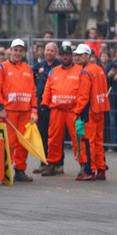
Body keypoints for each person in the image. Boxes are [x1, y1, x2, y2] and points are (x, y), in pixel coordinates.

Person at [0, 38, 38, 182]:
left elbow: (33, 92)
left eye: (20, 51)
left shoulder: (28, 69)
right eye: (15, 50)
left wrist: (34, 111)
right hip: (8, 113)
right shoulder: (2, 68)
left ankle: (20, 170)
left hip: (25, 113)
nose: (17, 53)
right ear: (10, 51)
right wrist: (1, 107)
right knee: (8, 143)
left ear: (23, 52)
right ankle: (3, 171)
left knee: (23, 144)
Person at [40, 45, 82, 176]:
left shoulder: (80, 70)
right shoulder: (54, 71)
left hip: (73, 111)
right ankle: (52, 164)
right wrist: (44, 104)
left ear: (72, 56)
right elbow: (48, 89)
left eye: (68, 54)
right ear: (60, 55)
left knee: (78, 138)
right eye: (63, 54)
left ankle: (83, 164)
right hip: (56, 110)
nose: (65, 57)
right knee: (53, 139)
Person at [73, 44, 110, 180]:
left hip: (89, 112)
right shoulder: (99, 69)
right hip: (100, 110)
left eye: (80, 55)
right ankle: (101, 169)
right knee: (98, 142)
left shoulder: (86, 72)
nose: (77, 57)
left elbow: (83, 97)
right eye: (76, 54)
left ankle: (89, 171)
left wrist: (77, 113)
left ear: (88, 56)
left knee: (88, 142)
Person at [32, 42, 61, 174]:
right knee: (42, 134)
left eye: (51, 50)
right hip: (40, 104)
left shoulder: (59, 66)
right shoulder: (39, 66)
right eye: (47, 50)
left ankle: (58, 163)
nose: (49, 52)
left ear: (56, 52)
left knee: (55, 136)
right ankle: (43, 162)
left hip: (54, 105)